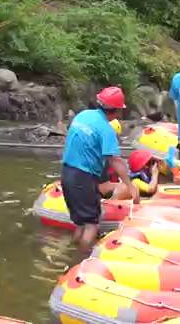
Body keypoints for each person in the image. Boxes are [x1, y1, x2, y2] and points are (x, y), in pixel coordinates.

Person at [61, 87, 139, 253]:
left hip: (66, 172)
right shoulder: (106, 129)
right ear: (117, 110)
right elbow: (116, 160)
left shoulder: (83, 115)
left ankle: (70, 253)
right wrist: (130, 186)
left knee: (80, 224)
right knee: (91, 225)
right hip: (83, 177)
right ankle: (81, 260)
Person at [98, 122, 159, 198]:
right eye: (150, 163)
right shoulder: (135, 180)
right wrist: (155, 174)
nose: (153, 165)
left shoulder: (110, 157)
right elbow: (150, 189)